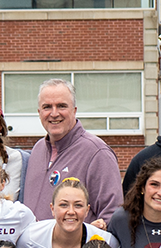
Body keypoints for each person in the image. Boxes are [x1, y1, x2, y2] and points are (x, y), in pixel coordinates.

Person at [18, 78, 123, 223]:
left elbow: (112, 215)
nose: (54, 114)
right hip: (31, 245)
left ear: (74, 110)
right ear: (39, 112)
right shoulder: (37, 150)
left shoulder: (97, 153)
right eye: (47, 107)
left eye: (61, 106)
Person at [20, 177, 117, 248]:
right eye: (63, 205)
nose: (71, 211)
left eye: (78, 205)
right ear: (52, 208)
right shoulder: (31, 237)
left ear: (87, 210)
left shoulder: (106, 242)